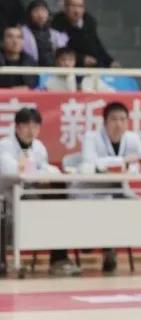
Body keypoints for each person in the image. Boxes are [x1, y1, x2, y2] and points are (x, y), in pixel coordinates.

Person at [0, 107, 81, 276]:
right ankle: (13, 261)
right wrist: (36, 173)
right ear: (17, 127)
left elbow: (47, 169)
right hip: (7, 199)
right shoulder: (5, 146)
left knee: (59, 199)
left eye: (35, 127)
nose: (31, 131)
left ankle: (58, 260)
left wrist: (44, 174)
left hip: (31, 195)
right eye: (27, 126)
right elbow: (12, 170)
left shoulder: (39, 147)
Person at [79, 101, 141, 272]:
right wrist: (122, 161)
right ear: (105, 122)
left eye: (122, 119)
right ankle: (95, 241)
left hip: (118, 190)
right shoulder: (92, 137)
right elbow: (89, 163)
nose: (118, 124)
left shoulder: (132, 138)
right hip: (91, 191)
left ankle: (108, 248)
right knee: (108, 207)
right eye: (114, 119)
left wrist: (131, 166)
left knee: (140, 206)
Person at [20, 0, 68, 65]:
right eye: (36, 11)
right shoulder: (22, 32)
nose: (40, 15)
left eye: (43, 10)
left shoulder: (55, 34)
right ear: (29, 14)